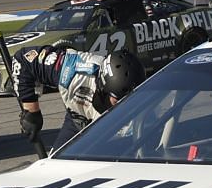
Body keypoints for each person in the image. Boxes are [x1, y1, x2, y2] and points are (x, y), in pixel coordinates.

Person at [13, 44, 144, 153]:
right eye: (118, 100)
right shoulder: (73, 70)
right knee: (55, 167)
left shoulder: (143, 111)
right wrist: (32, 111)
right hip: (77, 119)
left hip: (110, 136)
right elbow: (23, 59)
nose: (124, 106)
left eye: (131, 100)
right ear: (102, 89)